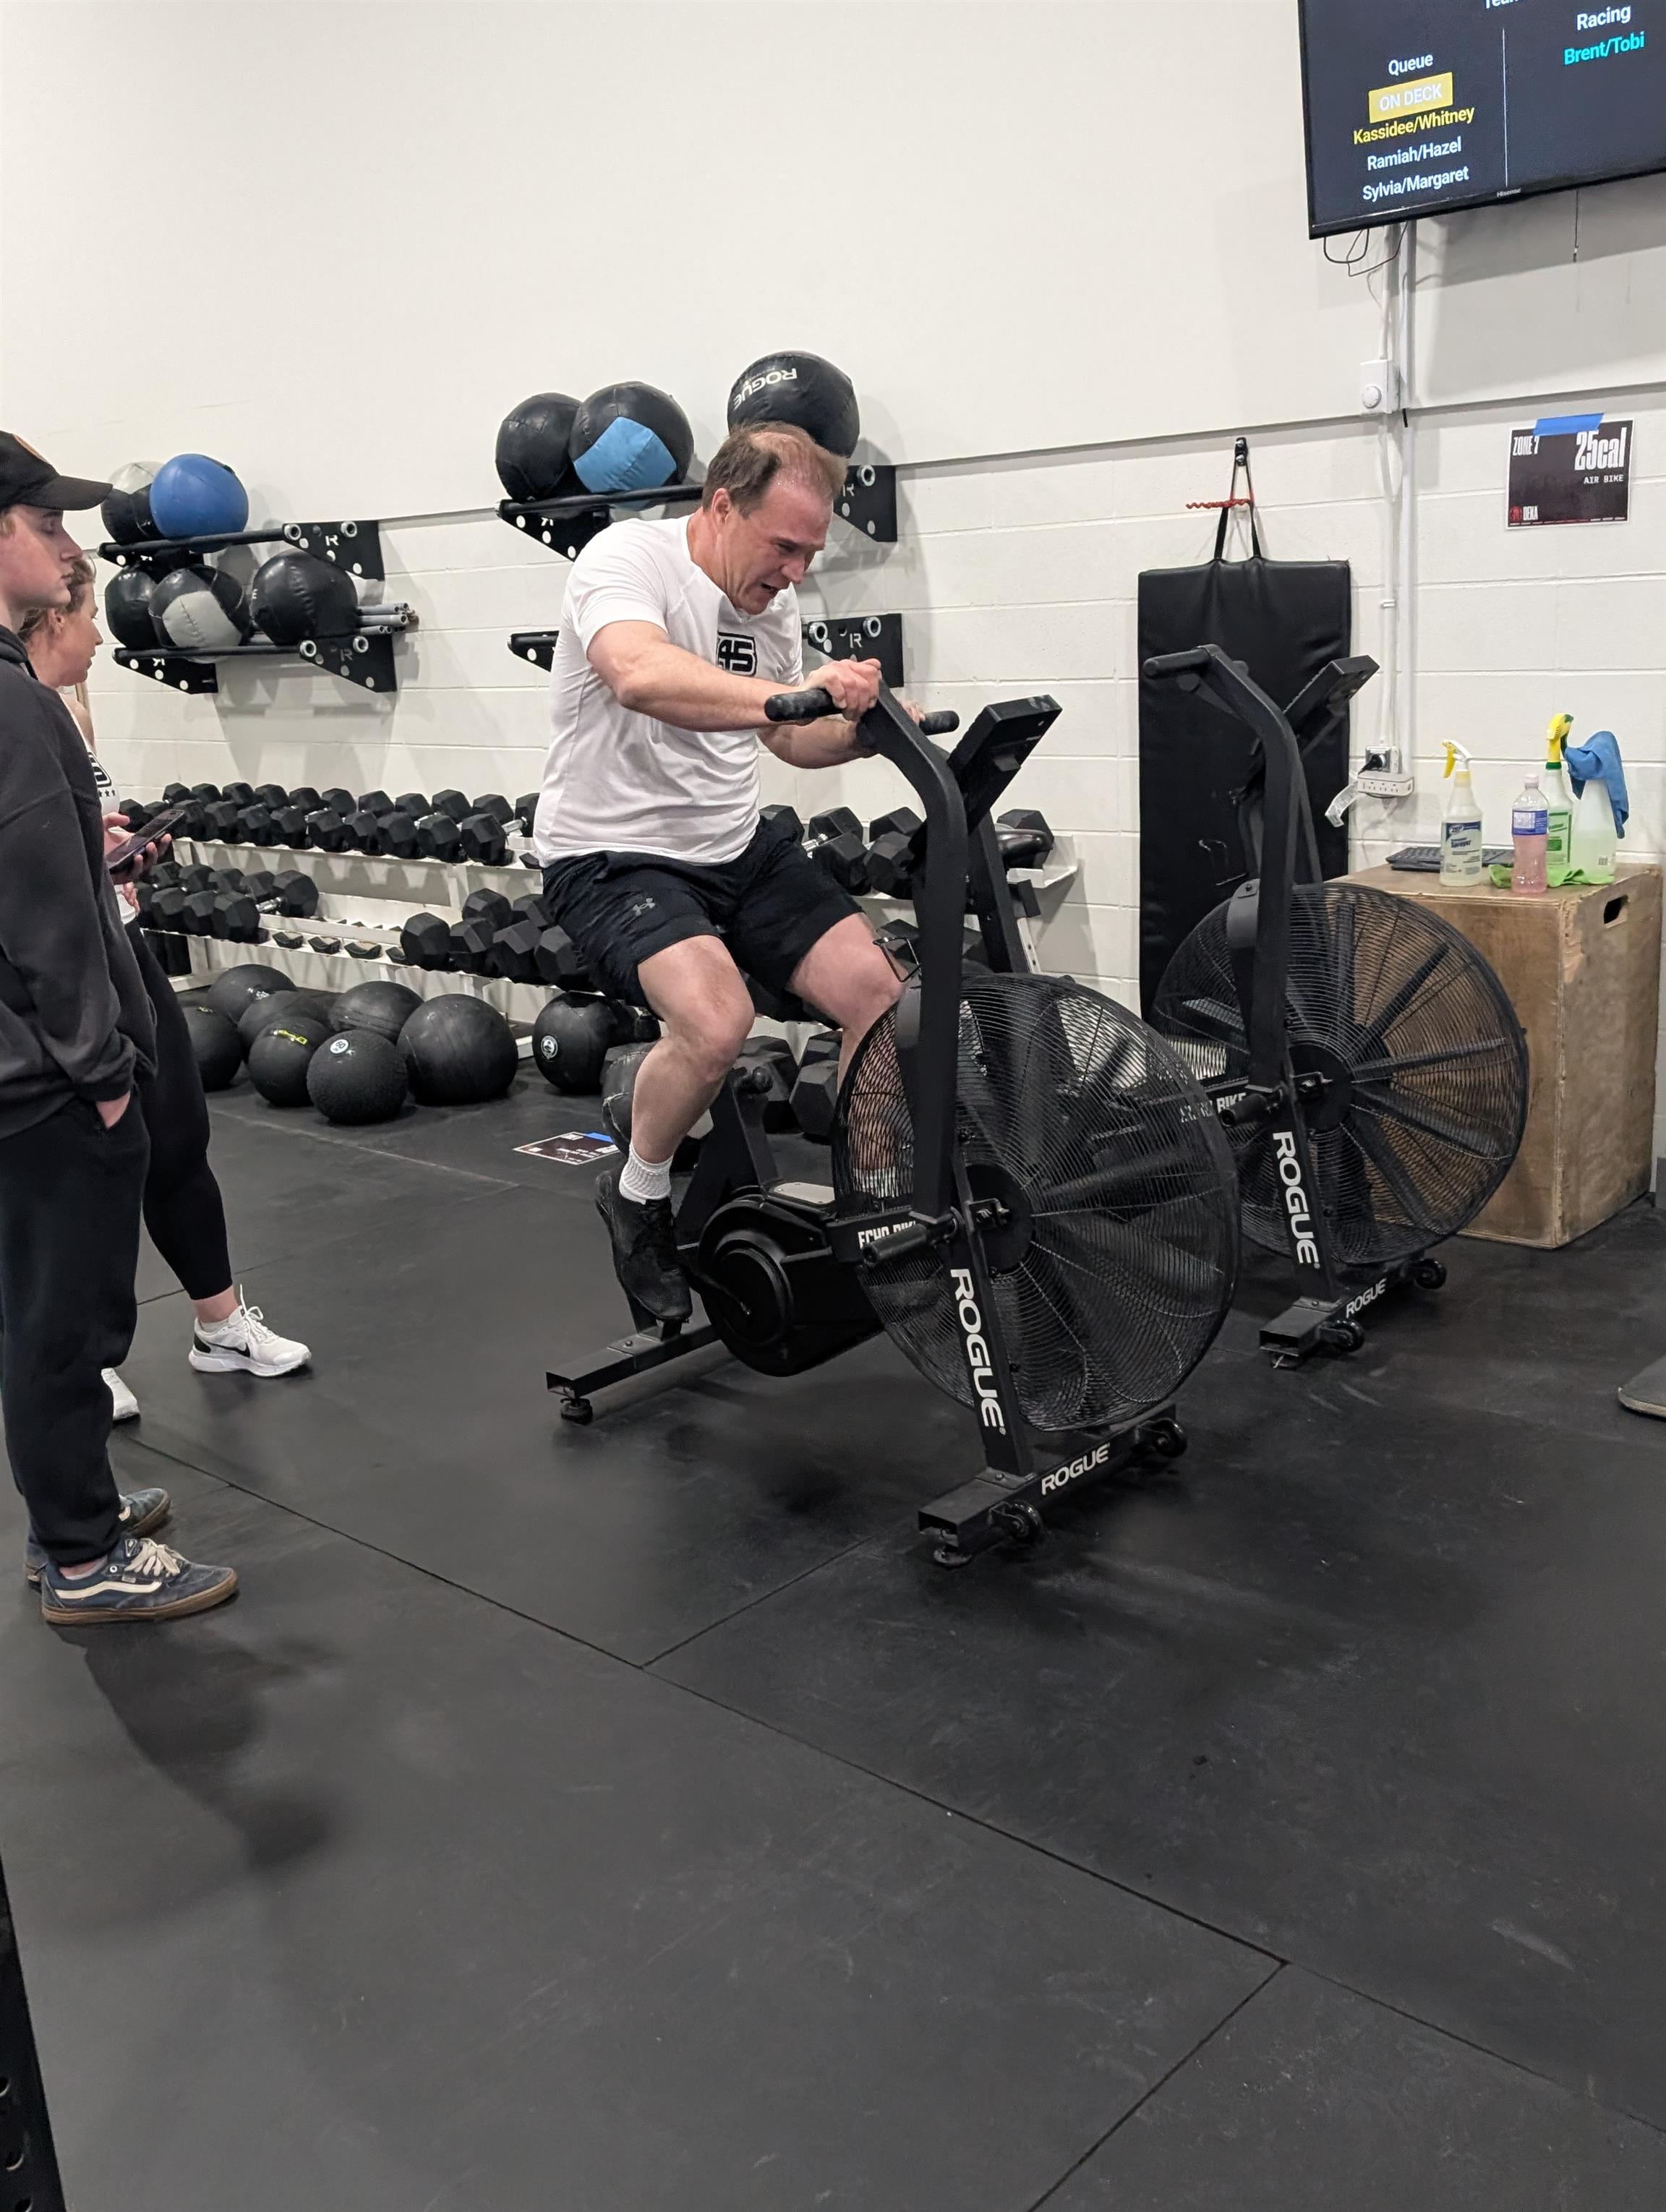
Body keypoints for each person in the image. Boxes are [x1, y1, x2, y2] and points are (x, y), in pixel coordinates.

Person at [535, 421, 905, 1321]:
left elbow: (788, 737)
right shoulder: (628, 559)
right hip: (613, 854)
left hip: (736, 844)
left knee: (882, 997)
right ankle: (637, 1193)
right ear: (722, 505)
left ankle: (879, 1209)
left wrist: (865, 730)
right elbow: (637, 673)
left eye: (810, 553)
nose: (796, 572)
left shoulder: (770, 602)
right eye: (784, 547)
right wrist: (794, 695)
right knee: (715, 1022)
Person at [0, 431, 236, 1622]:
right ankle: (85, 1560)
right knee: (65, 1325)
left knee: (39, 1313)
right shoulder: (12, 702)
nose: (68, 546)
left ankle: (72, 1512)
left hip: (22, 1072)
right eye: (46, 524)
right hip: (46, 1080)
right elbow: (42, 919)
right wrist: (100, 1071)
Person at [22, 560, 309, 1412]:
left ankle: (219, 1327)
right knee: (83, 1171)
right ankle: (85, 1358)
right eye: (87, 617)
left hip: (124, 943)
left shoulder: (69, 713)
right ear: (51, 622)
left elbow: (73, 839)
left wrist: (117, 850)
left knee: (178, 1137)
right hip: (59, 968)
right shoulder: (14, 721)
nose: (100, 636)